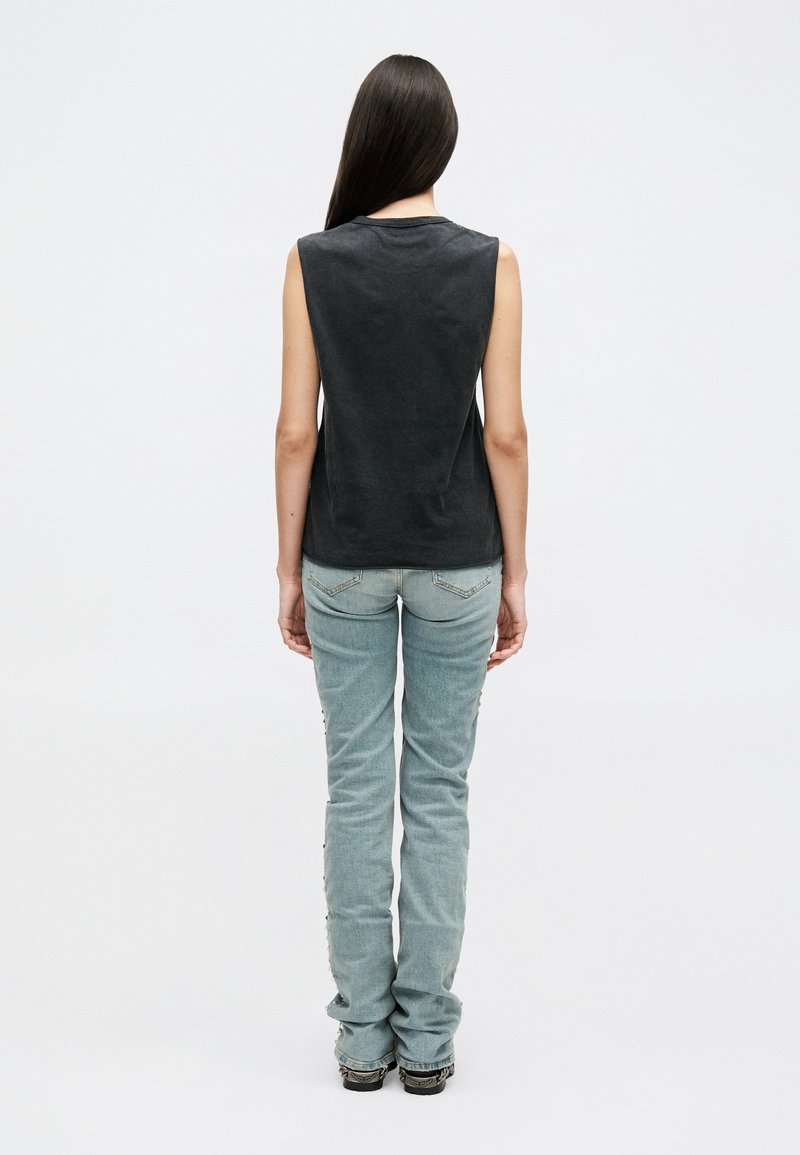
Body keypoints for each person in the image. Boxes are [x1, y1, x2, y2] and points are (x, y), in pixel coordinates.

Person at [275, 54, 527, 1095]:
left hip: (340, 554)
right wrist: (517, 573)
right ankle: (426, 1040)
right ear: (442, 145)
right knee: (437, 791)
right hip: (460, 559)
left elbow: (296, 431)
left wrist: (285, 567)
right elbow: (504, 433)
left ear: (367, 139)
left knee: (354, 789)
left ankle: (360, 1039)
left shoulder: (312, 262)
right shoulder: (492, 263)